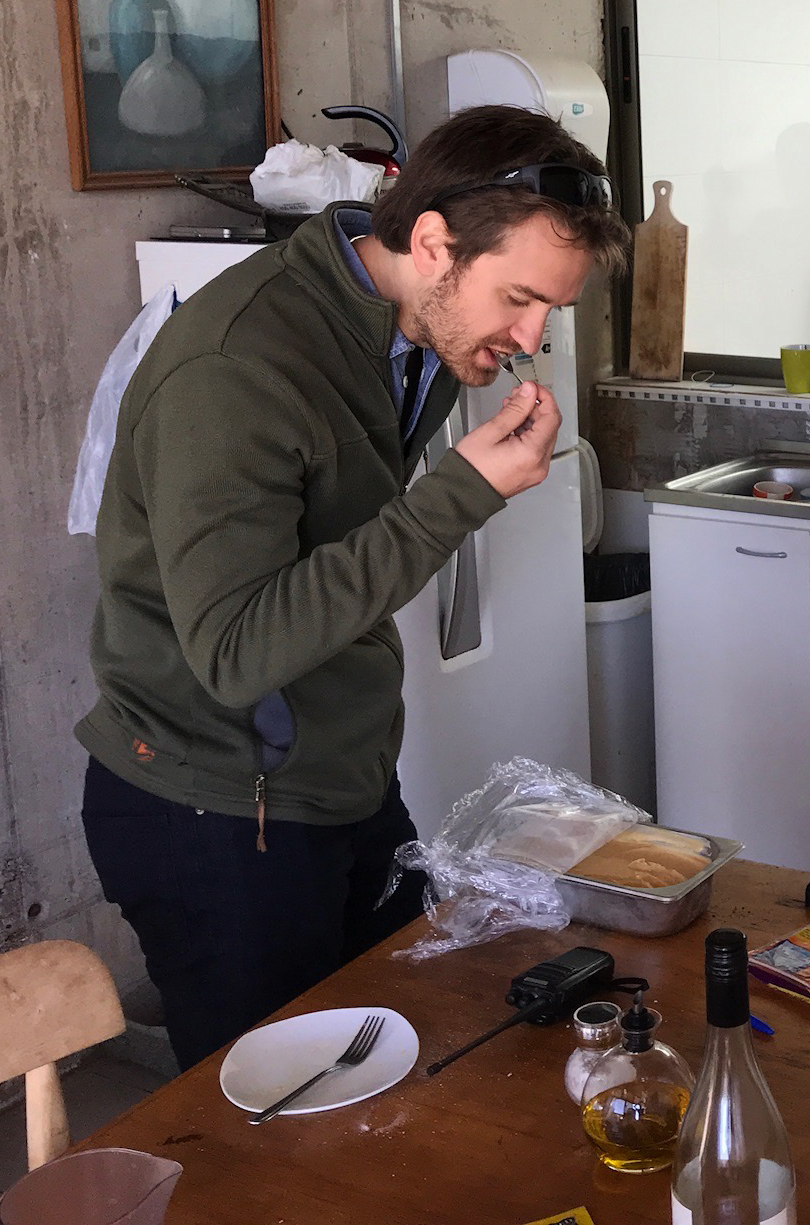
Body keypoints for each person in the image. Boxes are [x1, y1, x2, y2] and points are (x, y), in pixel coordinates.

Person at [77, 104, 631, 1070]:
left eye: (551, 309)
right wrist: (460, 495)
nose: (531, 336)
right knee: (273, 1142)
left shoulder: (409, 329)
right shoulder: (238, 369)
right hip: (219, 809)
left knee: (401, 1070)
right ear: (431, 242)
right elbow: (237, 651)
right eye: (519, 298)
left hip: (339, 782)